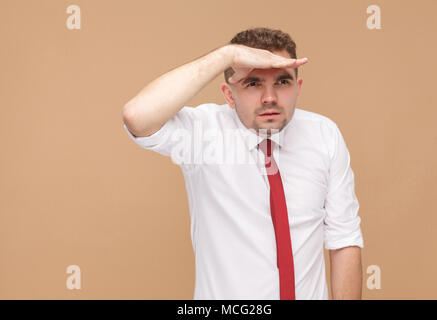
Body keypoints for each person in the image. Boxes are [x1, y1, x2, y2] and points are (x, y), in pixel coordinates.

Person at [122, 27, 364, 300]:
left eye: (282, 82)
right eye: (253, 83)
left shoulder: (324, 135)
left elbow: (344, 240)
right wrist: (227, 55)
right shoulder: (203, 133)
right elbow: (136, 116)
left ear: (298, 88)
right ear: (228, 94)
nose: (270, 97)